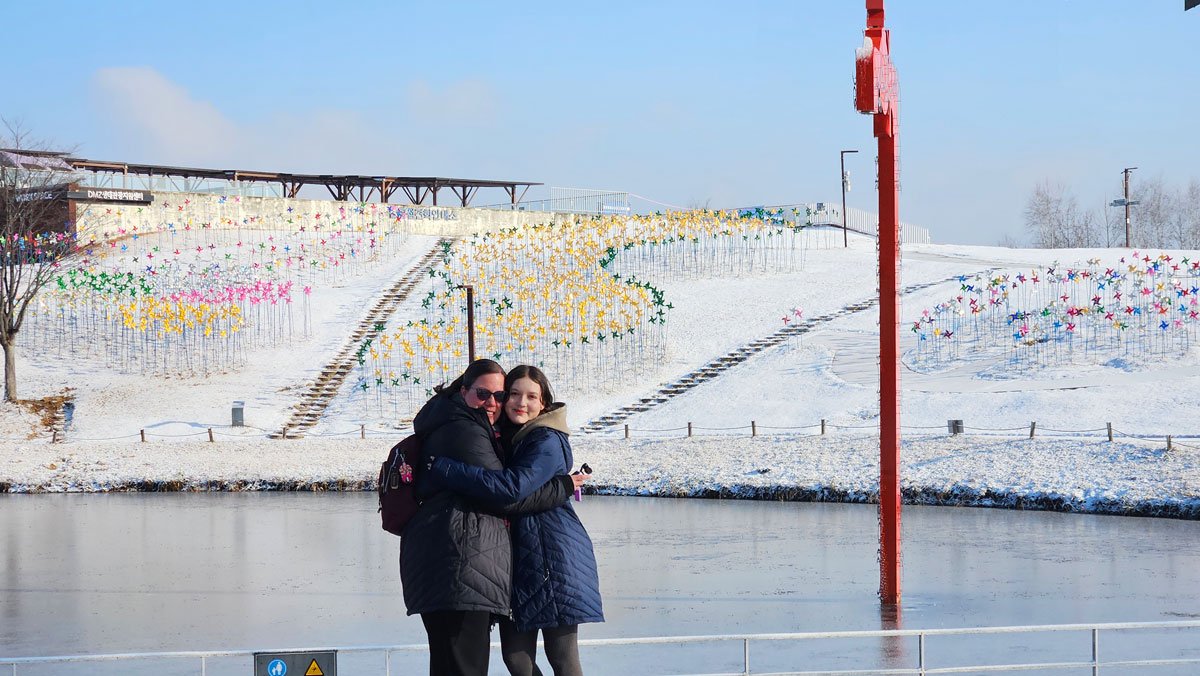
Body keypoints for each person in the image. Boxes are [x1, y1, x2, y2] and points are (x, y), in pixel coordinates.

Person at [399, 359, 579, 676]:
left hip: (500, 565)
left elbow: (507, 490)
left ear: (544, 403)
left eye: (500, 395)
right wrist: (562, 487)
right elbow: (506, 493)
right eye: (485, 394)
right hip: (460, 569)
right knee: (490, 661)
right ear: (463, 390)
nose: (494, 402)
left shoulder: (531, 439)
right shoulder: (466, 431)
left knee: (541, 657)